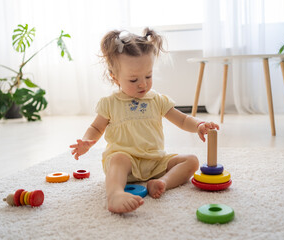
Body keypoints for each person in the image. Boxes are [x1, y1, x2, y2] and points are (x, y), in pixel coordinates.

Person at [69, 28, 219, 214]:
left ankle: (162, 182)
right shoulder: (110, 103)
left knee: (192, 161)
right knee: (117, 159)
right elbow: (96, 127)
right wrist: (86, 142)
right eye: (133, 80)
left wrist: (199, 125)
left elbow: (182, 119)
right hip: (127, 163)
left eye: (148, 76)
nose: (143, 84)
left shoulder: (157, 100)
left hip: (156, 161)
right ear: (114, 78)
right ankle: (115, 194)